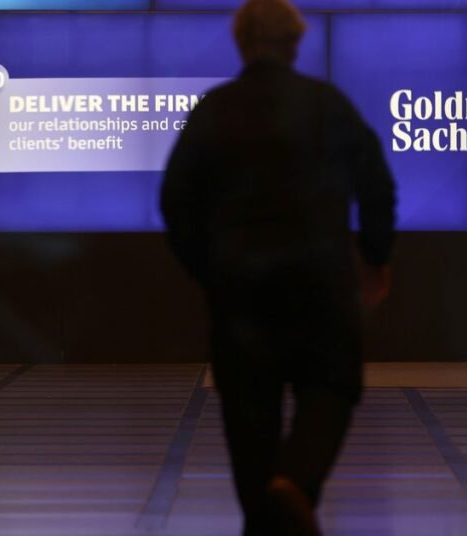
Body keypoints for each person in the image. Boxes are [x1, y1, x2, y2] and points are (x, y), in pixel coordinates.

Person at [160, 0, 397, 533]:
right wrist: (376, 256)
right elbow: (377, 183)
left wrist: (206, 268)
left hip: (240, 288)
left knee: (248, 416)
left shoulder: (215, 110)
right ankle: (296, 483)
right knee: (331, 387)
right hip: (320, 279)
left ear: (241, 42)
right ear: (295, 43)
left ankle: (265, 514)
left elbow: (175, 199)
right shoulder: (327, 105)